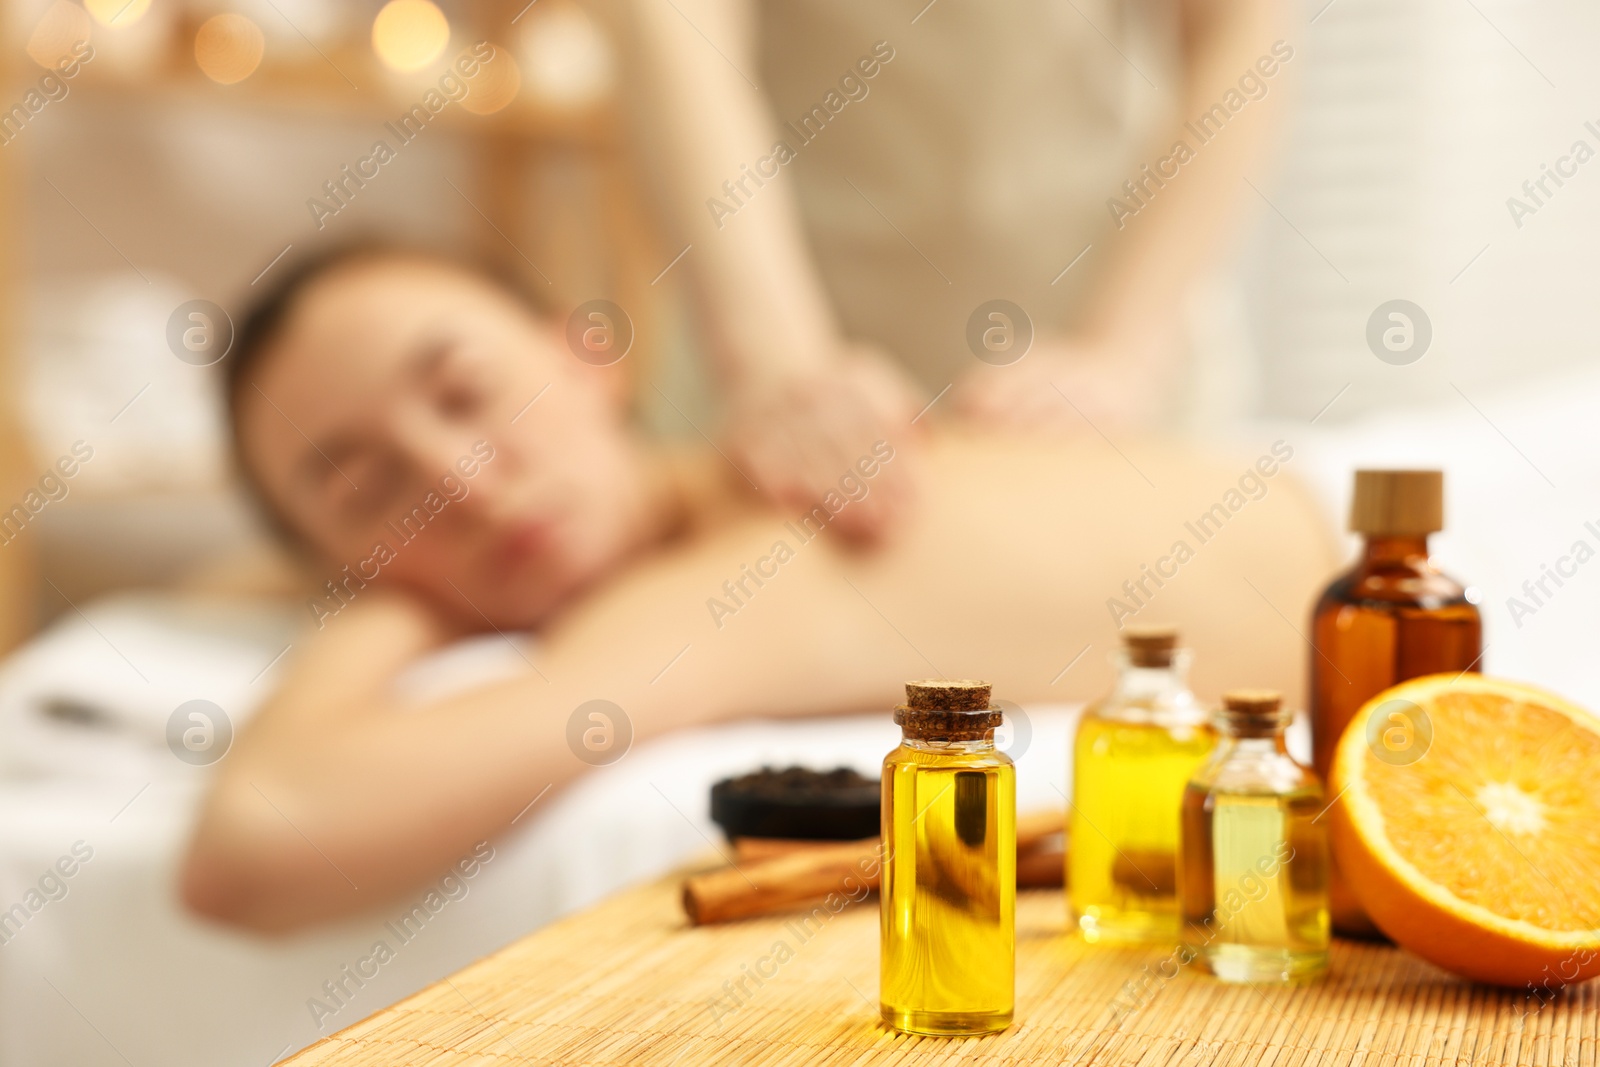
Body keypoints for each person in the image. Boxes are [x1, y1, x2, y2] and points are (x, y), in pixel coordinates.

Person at [179, 246, 1335, 933]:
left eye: (469, 391)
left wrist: (384, 600)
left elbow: (260, 840)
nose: (464, 484)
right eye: (367, 488)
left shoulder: (751, 563)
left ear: (590, 352)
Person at [601, 0, 1289, 539]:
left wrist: (1122, 352)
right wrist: (777, 366)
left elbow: (1242, 28)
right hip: (780, 354)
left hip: (1113, 367)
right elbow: (677, 25)